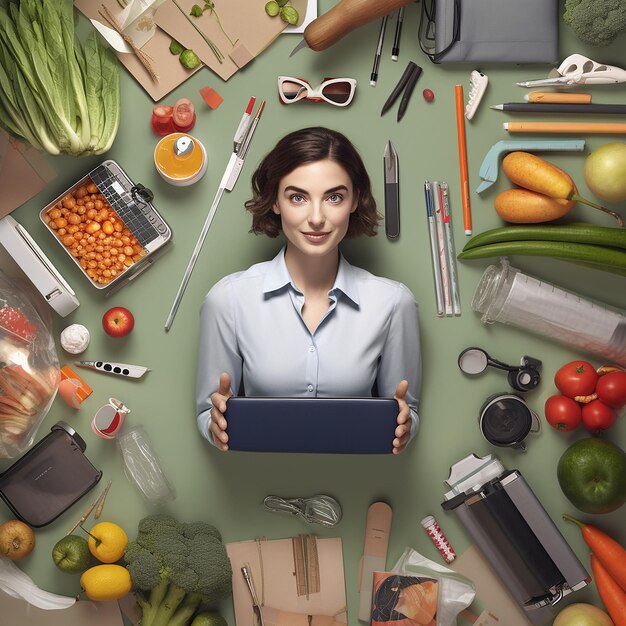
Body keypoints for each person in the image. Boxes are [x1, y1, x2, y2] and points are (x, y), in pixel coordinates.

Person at [196, 127, 421, 453]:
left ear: (355, 200)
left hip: (360, 476)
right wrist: (215, 425)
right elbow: (207, 413)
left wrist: (404, 425)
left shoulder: (394, 303)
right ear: (275, 201)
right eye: (297, 197)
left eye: (334, 197)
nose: (316, 218)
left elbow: (407, 412)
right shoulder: (227, 300)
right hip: (255, 477)